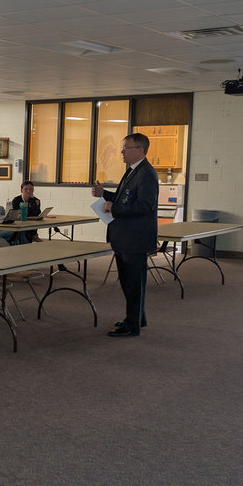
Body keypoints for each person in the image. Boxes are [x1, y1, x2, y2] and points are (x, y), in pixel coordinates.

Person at [92, 132, 159, 338]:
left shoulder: (146, 174)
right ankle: (137, 318)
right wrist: (104, 194)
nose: (121, 152)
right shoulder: (133, 171)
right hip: (125, 237)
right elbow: (125, 199)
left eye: (126, 148)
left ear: (140, 150)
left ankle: (132, 325)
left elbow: (146, 206)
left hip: (134, 238)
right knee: (129, 281)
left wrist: (114, 208)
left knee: (133, 283)